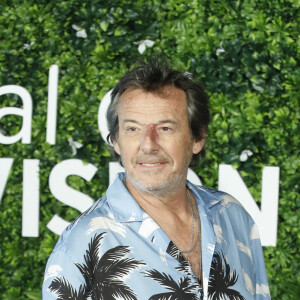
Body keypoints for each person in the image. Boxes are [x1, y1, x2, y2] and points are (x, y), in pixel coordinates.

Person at [43, 59, 271, 300]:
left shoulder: (231, 215)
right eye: (133, 129)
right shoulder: (83, 243)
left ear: (198, 137)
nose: (148, 144)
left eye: (165, 128)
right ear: (116, 141)